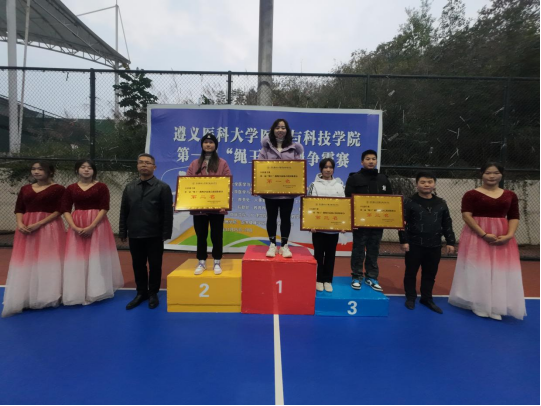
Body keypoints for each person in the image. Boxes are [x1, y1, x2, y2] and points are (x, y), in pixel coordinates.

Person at [449, 163, 526, 321]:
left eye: (496, 173)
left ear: (501, 174)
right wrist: (483, 234)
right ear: (482, 174)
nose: (492, 176)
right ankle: (479, 304)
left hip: (502, 236)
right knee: (477, 269)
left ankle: (496, 305)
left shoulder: (510, 195)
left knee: (499, 270)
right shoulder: (471, 194)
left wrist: (509, 235)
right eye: (488, 173)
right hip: (476, 235)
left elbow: (514, 216)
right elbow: (466, 216)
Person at [2, 162, 66, 318]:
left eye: (40, 169)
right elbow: (19, 209)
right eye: (34, 169)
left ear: (50, 172)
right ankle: (25, 295)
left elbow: (60, 210)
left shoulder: (59, 189)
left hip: (49, 228)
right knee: (26, 260)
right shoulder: (25, 189)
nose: (36, 172)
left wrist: (39, 223)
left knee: (48, 259)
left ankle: (47, 295)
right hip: (26, 229)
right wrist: (20, 224)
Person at [62, 159, 124, 306]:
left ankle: (96, 290)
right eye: (83, 167)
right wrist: (73, 226)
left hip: (98, 224)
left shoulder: (102, 187)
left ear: (94, 171)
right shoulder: (70, 188)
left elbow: (104, 207)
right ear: (77, 170)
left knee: (96, 256)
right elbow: (65, 209)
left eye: (89, 168)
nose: (86, 170)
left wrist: (92, 226)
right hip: (77, 224)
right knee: (78, 256)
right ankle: (78, 290)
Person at [120, 154, 173, 310]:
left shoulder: (163, 187)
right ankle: (141, 293)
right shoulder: (129, 187)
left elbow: (167, 213)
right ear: (137, 166)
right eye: (141, 162)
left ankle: (153, 293)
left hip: (154, 234)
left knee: (155, 266)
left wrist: (166, 233)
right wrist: (123, 231)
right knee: (138, 265)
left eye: (148, 163)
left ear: (154, 167)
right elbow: (124, 211)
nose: (144, 165)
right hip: (135, 233)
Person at [399, 172, 456, 314]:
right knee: (411, 272)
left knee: (430, 274)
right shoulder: (409, 202)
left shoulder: (441, 203)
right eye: (423, 182)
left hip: (434, 245)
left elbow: (447, 223)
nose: (426, 185)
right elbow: (402, 222)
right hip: (414, 244)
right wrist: (403, 240)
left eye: (429, 182)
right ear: (416, 184)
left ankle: (427, 298)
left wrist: (450, 241)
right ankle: (410, 297)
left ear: (434, 184)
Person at [345, 149, 393, 292]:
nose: (371, 161)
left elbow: (390, 200)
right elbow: (348, 199)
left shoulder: (383, 179)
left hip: (377, 222)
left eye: (373, 159)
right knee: (358, 249)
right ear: (362, 162)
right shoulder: (354, 178)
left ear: (376, 161)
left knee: (373, 249)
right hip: (360, 222)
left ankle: (371, 277)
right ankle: (356, 276)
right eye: (367, 159)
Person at [186, 134, 232, 275]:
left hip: (217, 207)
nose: (208, 144)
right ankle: (202, 261)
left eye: (211, 142)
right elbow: (187, 183)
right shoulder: (194, 163)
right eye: (205, 142)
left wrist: (224, 202)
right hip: (199, 207)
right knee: (201, 235)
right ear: (202, 145)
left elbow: (227, 182)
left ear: (215, 145)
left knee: (216, 235)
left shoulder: (222, 163)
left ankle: (217, 261)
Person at [258, 118, 304, 259]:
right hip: (270, 192)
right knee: (271, 218)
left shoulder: (293, 149)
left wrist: (300, 185)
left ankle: (284, 245)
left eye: (283, 128)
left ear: (287, 130)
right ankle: (272, 244)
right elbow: (259, 168)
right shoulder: (266, 149)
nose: (280, 130)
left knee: (286, 218)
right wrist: (257, 185)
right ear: (273, 130)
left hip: (287, 192)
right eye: (277, 127)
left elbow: (298, 169)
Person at [308, 158, 346, 293]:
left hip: (333, 229)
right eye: (325, 167)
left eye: (330, 167)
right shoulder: (314, 185)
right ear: (321, 169)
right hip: (318, 228)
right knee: (318, 255)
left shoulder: (339, 185)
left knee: (330, 255)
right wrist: (311, 224)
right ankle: (319, 279)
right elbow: (310, 206)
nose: (328, 170)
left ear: (333, 169)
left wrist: (343, 224)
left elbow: (343, 206)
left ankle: (328, 280)